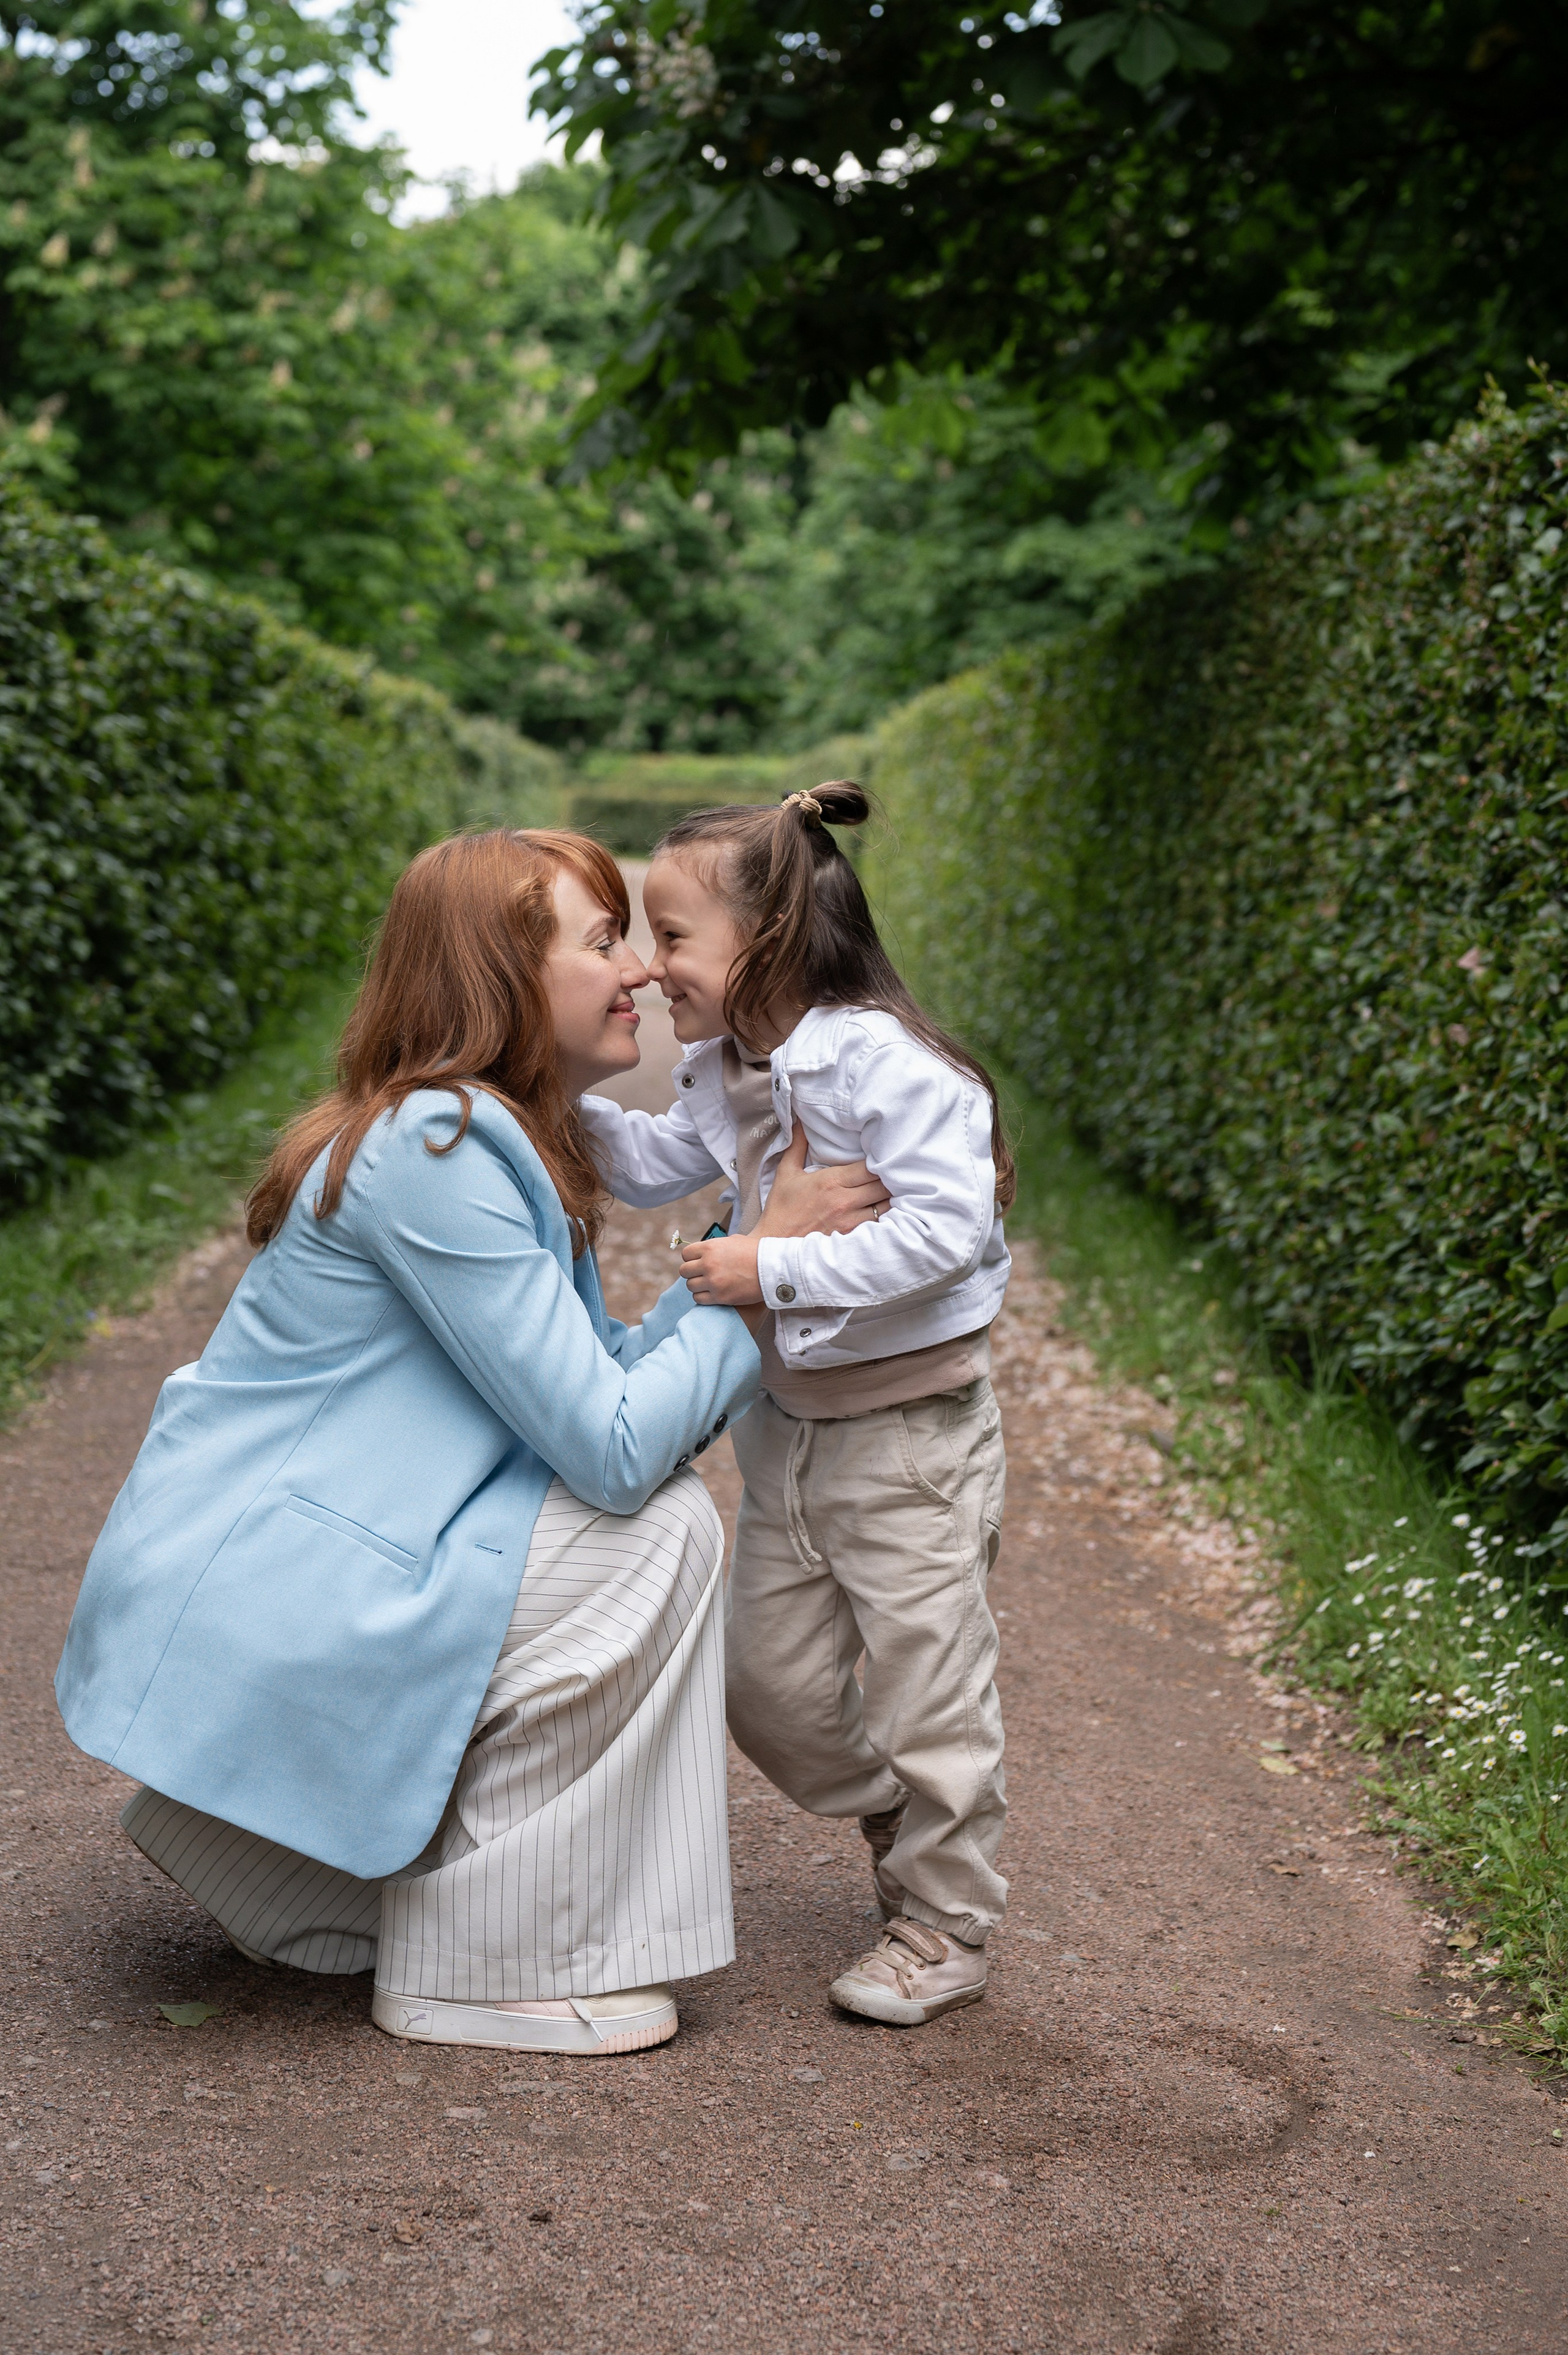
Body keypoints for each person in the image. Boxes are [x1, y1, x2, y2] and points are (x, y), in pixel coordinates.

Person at [54, 828, 884, 2056]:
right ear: (502, 973)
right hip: (280, 1588)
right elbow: (610, 1446)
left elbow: (591, 1376)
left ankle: (309, 1865)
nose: (640, 973)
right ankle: (480, 1961)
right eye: (602, 939)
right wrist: (763, 1275)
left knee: (633, 1521)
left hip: (310, 1570)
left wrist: (740, 1248)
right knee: (650, 1531)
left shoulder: (472, 1135)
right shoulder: (436, 1145)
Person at [579, 784, 1013, 2027]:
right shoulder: (730, 1065)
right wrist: (543, 1094)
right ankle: (899, 1801)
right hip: (788, 1432)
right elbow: (672, 1159)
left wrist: (764, 1265)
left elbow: (943, 1228)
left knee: (933, 1680)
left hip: (910, 1436)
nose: (653, 966)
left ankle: (943, 1918)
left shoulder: (886, 1064)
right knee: (760, 1684)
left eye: (670, 936)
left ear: (765, 939)